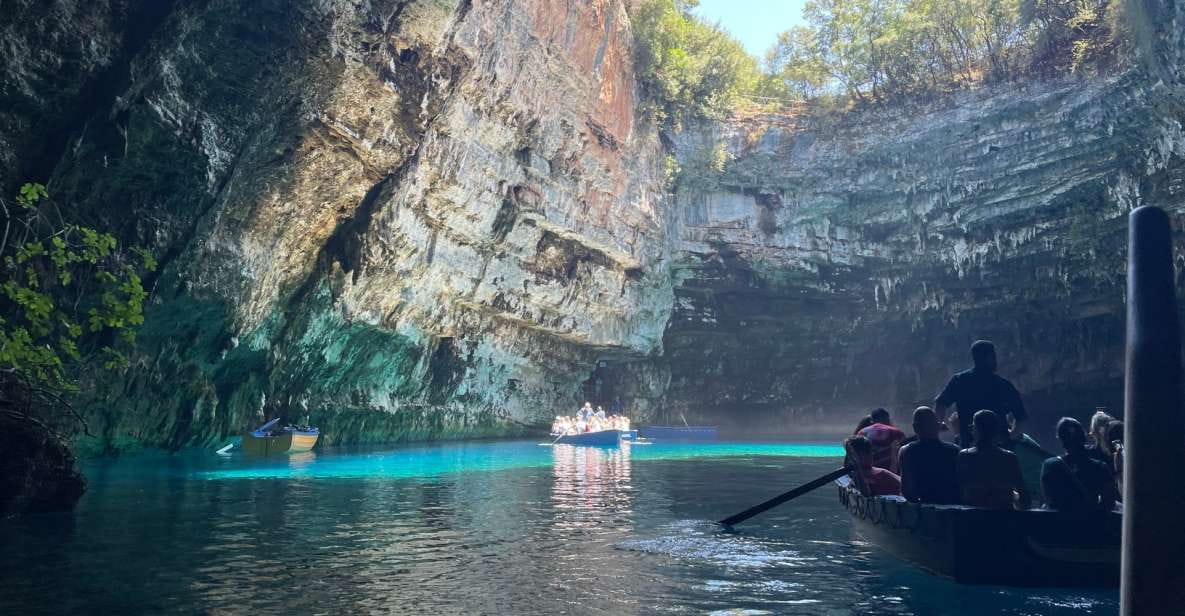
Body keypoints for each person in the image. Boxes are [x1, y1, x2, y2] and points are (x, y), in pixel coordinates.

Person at [935, 340, 1028, 446]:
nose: (995, 360)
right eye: (993, 356)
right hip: (999, 447)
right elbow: (1020, 417)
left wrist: (939, 424)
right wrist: (1011, 435)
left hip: (969, 445)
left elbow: (941, 404)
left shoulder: (960, 381)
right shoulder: (1002, 384)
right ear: (990, 357)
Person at [956, 410, 1031, 509]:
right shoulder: (1009, 458)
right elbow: (1024, 497)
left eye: (973, 426)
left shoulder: (965, 456)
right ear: (996, 431)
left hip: (973, 518)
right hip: (1004, 518)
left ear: (976, 430)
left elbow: (958, 491)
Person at [1041, 417, 1119, 513]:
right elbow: (1109, 503)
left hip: (1059, 524)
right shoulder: (1100, 467)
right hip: (1089, 524)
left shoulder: (1050, 465)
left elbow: (1048, 498)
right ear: (1083, 437)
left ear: (1060, 439)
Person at [899, 407, 961, 504]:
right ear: (937, 426)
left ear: (915, 427)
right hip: (951, 508)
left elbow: (907, 490)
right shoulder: (955, 451)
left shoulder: (906, 451)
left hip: (922, 510)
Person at [857, 408, 906, 473]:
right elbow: (905, 454)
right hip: (893, 474)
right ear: (887, 418)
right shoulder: (897, 432)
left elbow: (857, 455)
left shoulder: (862, 432)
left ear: (871, 420)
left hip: (868, 475)